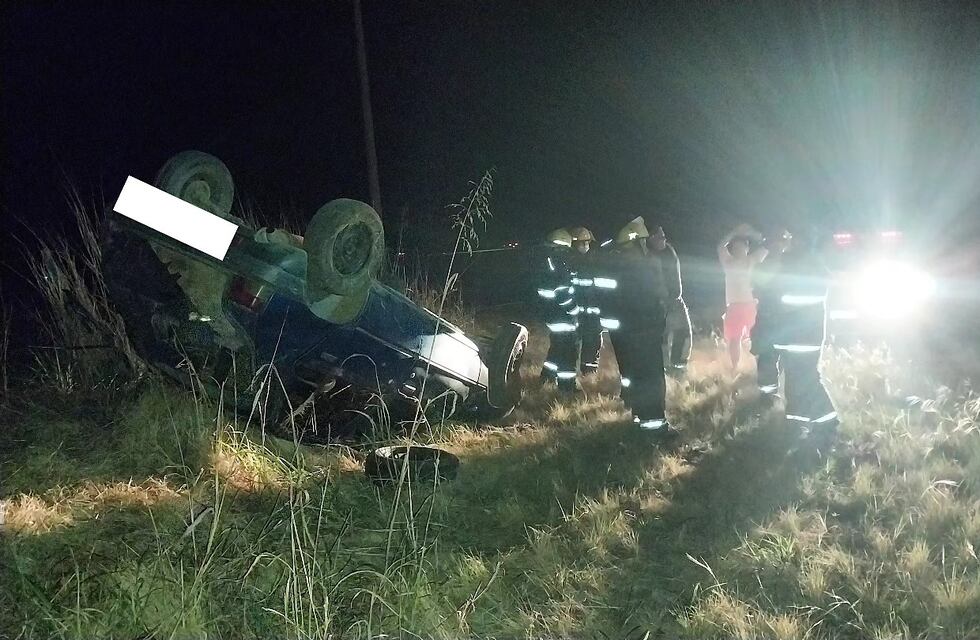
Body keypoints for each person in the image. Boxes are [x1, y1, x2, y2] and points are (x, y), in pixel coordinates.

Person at [592, 216, 677, 439]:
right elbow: (657, 299)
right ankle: (655, 428)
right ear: (639, 242)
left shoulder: (611, 263)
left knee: (635, 376)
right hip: (644, 332)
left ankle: (639, 417)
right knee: (651, 379)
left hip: (624, 334)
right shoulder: (644, 265)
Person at [769, 228, 838, 438]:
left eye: (790, 239)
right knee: (796, 380)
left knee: (805, 379)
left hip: (800, 336)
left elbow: (785, 300)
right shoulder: (812, 265)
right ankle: (797, 421)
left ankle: (827, 420)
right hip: (801, 335)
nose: (786, 243)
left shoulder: (798, 265)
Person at [718, 223, 768, 369]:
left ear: (747, 248)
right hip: (733, 306)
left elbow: (768, 247)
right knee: (734, 339)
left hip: (750, 305)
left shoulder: (752, 260)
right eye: (736, 247)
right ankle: (735, 367)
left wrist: (753, 234)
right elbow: (721, 246)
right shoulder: (728, 262)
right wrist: (734, 232)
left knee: (756, 337)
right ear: (732, 249)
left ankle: (757, 366)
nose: (739, 249)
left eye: (742, 247)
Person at [751, 229, 792, 398]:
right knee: (774, 356)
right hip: (778, 317)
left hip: (773, 317)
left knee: (770, 355)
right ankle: (770, 392)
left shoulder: (765, 266)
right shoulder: (787, 265)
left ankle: (768, 393)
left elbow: (756, 288)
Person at [538, 227, 579, 393]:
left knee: (556, 348)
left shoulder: (547, 261)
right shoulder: (560, 264)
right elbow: (563, 293)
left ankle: (546, 377)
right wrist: (574, 310)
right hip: (563, 316)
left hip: (551, 314)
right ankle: (567, 387)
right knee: (568, 354)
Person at [650, 225, 692, 373]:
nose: (664, 239)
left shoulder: (669, 252)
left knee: (684, 334)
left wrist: (675, 296)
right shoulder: (647, 256)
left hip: (675, 299)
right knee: (661, 338)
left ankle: (679, 366)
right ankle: (663, 369)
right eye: (660, 237)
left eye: (664, 236)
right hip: (657, 303)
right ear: (651, 239)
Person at [567, 226, 603, 376]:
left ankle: (587, 370)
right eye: (583, 242)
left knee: (587, 341)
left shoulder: (573, 260)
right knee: (585, 341)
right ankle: (587, 370)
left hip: (580, 311)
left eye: (587, 242)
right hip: (581, 311)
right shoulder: (579, 261)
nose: (585, 245)